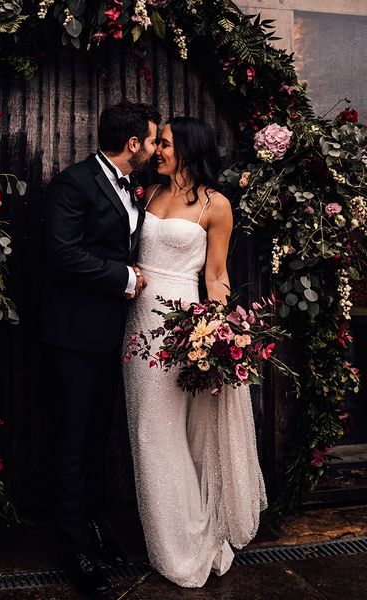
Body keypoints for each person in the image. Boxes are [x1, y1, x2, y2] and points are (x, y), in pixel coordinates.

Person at [123, 116, 267, 588]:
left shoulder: (216, 204)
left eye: (163, 143)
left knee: (171, 432)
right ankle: (175, 540)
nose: (155, 150)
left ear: (187, 147)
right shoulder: (147, 195)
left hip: (184, 326)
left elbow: (217, 274)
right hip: (140, 325)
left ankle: (190, 543)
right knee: (148, 431)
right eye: (156, 142)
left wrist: (219, 333)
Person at [40, 101, 160, 598]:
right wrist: (123, 276)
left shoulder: (133, 186)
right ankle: (73, 548)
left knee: (93, 440)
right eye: (152, 141)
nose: (155, 149)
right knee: (71, 443)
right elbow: (61, 252)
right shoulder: (74, 183)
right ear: (133, 144)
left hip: (110, 336)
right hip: (71, 337)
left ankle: (89, 526)